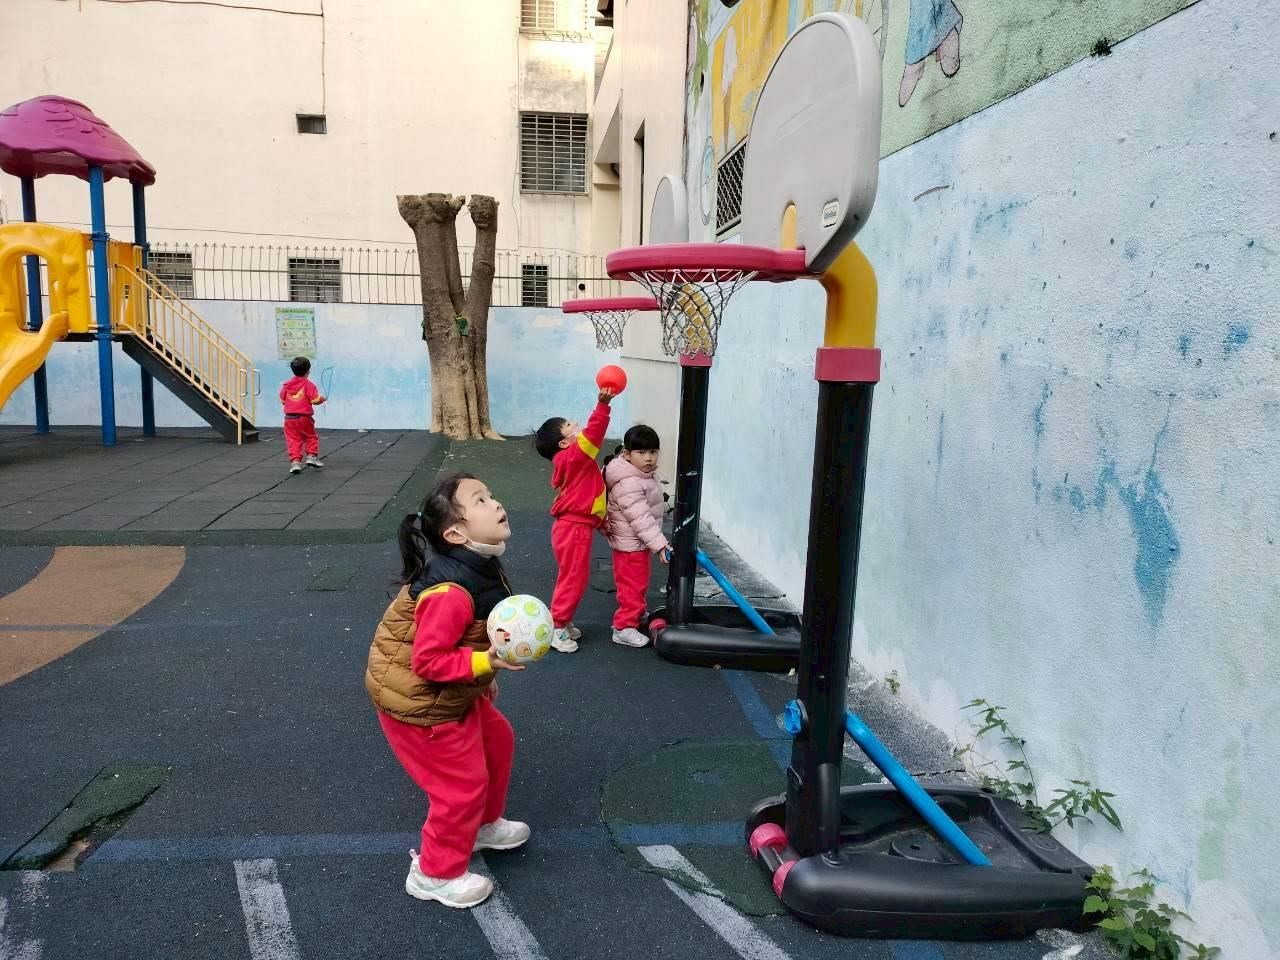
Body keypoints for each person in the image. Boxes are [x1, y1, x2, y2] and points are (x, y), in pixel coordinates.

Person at [365, 473, 528, 909]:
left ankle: (481, 826)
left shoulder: (479, 564)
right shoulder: (451, 591)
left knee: (496, 740)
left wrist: (482, 677)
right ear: (456, 534)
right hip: (419, 703)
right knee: (460, 786)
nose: (495, 503)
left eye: (491, 494)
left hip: (448, 690)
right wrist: (483, 664)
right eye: (480, 500)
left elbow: (468, 636)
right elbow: (429, 662)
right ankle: (434, 873)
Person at [533, 387, 615, 652]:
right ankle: (556, 626)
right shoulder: (574, 457)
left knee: (572, 576)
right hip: (573, 529)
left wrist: (601, 523)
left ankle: (563, 620)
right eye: (569, 425)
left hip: (575, 526)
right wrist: (602, 406)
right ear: (564, 443)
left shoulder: (575, 461)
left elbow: (588, 496)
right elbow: (594, 435)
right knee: (574, 579)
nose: (577, 425)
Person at [603, 425, 669, 647]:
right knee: (631, 586)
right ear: (628, 454)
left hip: (637, 543)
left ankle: (636, 613)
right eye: (641, 452)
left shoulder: (641, 475)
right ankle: (623, 627)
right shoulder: (629, 482)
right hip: (630, 544)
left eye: (653, 452)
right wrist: (660, 544)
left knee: (638, 583)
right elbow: (640, 518)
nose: (648, 458)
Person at [280, 357, 326, 474]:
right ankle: (311, 456)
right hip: (304, 417)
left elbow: (283, 400)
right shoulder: (308, 385)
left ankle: (295, 463)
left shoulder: (287, 385)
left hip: (289, 418)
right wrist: (322, 399)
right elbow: (315, 400)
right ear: (308, 371)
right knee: (310, 436)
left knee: (293, 440)